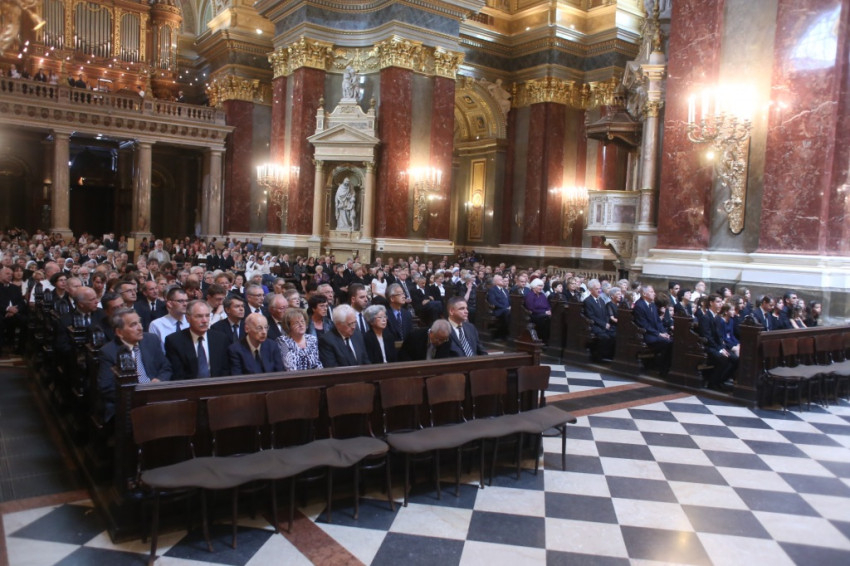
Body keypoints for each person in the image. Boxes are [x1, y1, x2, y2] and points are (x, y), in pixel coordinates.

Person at [97, 308, 171, 422]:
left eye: (139, 322)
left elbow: (166, 368)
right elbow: (107, 388)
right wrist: (138, 395)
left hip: (155, 397)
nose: (140, 328)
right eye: (133, 325)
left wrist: (159, 380)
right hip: (126, 404)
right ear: (119, 332)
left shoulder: (151, 340)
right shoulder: (108, 352)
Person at [165, 300, 230, 379]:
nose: (204, 320)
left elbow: (225, 369)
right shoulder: (174, 341)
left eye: (207, 316)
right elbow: (178, 374)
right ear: (188, 318)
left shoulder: (220, 339)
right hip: (189, 385)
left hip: (217, 384)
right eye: (199, 316)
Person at [632, 285, 673, 375]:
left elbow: (658, 322)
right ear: (644, 294)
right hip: (646, 334)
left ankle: (664, 368)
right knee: (667, 343)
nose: (654, 294)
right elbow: (644, 325)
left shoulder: (652, 304)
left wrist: (664, 332)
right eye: (651, 292)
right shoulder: (639, 305)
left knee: (671, 341)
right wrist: (659, 334)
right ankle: (662, 369)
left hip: (654, 333)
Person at [583, 279, 616, 361]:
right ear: (591, 290)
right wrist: (604, 324)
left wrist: (607, 323)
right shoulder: (588, 301)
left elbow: (606, 314)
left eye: (600, 288)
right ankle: (598, 356)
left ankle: (609, 355)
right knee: (604, 337)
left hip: (604, 324)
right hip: (594, 325)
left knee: (614, 334)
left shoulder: (601, 300)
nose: (599, 290)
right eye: (596, 289)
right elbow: (591, 316)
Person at [524, 278, 551, 344]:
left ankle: (549, 340)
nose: (541, 288)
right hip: (535, 315)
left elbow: (548, 305)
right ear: (534, 286)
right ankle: (543, 340)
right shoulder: (530, 295)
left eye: (542, 286)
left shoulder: (542, 295)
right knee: (545, 319)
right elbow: (531, 308)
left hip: (544, 314)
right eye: (539, 286)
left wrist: (549, 310)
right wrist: (544, 312)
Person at [486, 274, 511, 340]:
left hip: (508, 309)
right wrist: (505, 308)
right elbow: (493, 302)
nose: (502, 280)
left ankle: (513, 333)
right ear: (495, 281)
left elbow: (510, 300)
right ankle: (504, 334)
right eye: (501, 279)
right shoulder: (492, 290)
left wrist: (511, 306)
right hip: (498, 310)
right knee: (507, 312)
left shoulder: (505, 290)